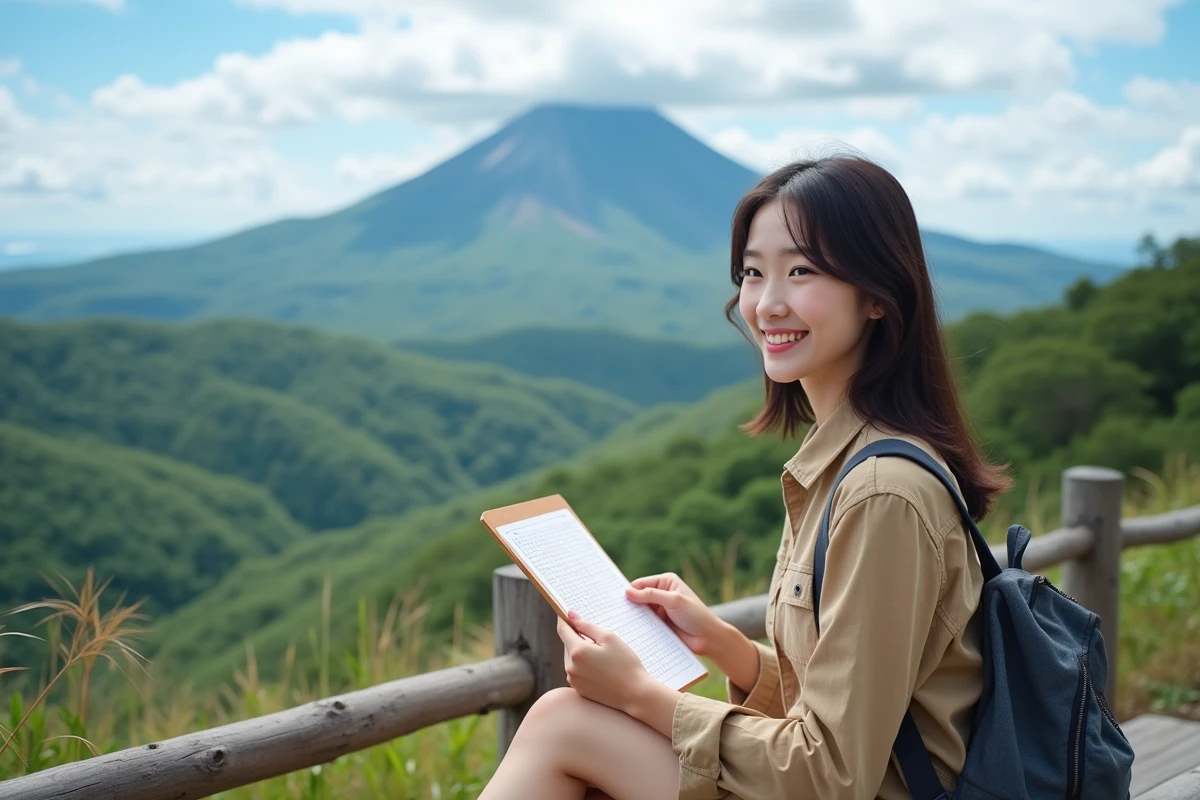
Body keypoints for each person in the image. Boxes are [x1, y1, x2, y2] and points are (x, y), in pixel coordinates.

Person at [478, 154, 1011, 800]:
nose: (767, 303)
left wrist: (642, 696)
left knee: (565, 726)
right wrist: (727, 647)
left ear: (877, 295)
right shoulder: (847, 464)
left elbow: (832, 773)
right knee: (572, 730)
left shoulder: (882, 493)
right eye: (754, 273)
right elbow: (858, 712)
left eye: (802, 271)